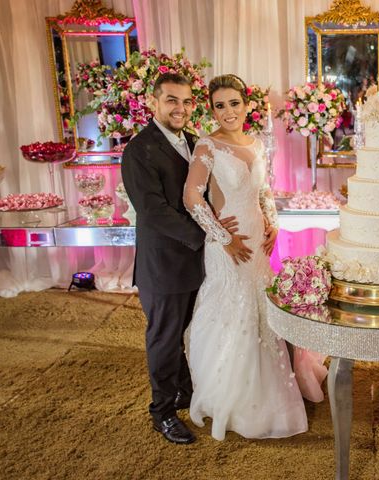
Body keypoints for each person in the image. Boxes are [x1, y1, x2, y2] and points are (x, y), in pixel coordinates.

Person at [183, 74, 326, 441]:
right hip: (227, 245)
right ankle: (233, 396)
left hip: (257, 242)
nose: (228, 112)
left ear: (247, 105)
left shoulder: (258, 143)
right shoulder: (207, 146)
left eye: (234, 103)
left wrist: (274, 224)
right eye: (219, 105)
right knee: (233, 311)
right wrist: (222, 237)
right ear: (212, 110)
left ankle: (272, 386)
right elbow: (192, 197)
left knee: (262, 312)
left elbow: (264, 190)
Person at [121, 73, 238, 445]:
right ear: (154, 102)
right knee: (165, 339)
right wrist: (208, 236)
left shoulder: (193, 142)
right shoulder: (138, 150)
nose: (181, 108)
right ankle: (162, 412)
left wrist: (224, 222)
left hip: (197, 263)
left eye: (187, 101)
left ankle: (185, 393)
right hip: (164, 266)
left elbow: (203, 196)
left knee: (192, 331)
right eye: (172, 100)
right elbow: (152, 210)